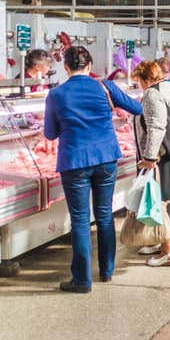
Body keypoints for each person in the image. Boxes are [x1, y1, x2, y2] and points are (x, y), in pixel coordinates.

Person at [43, 46, 142, 293]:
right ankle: (107, 271)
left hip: (75, 160)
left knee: (80, 220)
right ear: (89, 66)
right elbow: (137, 108)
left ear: (65, 67)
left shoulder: (56, 94)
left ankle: (82, 280)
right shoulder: (104, 86)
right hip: (106, 157)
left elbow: (50, 133)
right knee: (105, 215)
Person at [131, 61, 170, 267]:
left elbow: (157, 126)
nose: (140, 86)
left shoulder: (152, 93)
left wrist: (149, 157)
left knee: (162, 202)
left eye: (139, 81)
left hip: (166, 153)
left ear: (145, 79)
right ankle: (159, 241)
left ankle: (168, 252)